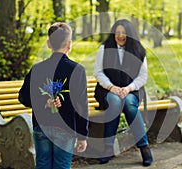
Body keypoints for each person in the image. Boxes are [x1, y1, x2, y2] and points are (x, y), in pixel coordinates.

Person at [18, 22, 89, 169]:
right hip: (65, 127)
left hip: (41, 126)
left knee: (42, 164)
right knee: (62, 165)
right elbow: (82, 105)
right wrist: (82, 136)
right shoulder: (77, 70)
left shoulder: (37, 69)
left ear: (49, 44)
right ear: (69, 44)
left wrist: (44, 102)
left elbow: (23, 97)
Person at [94, 19, 153, 166]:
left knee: (128, 103)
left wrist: (128, 88)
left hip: (132, 91)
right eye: (117, 32)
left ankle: (144, 147)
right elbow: (98, 72)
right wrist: (111, 87)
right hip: (107, 90)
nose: (120, 36)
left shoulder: (139, 50)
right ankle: (108, 148)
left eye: (124, 33)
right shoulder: (104, 48)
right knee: (114, 101)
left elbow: (142, 77)